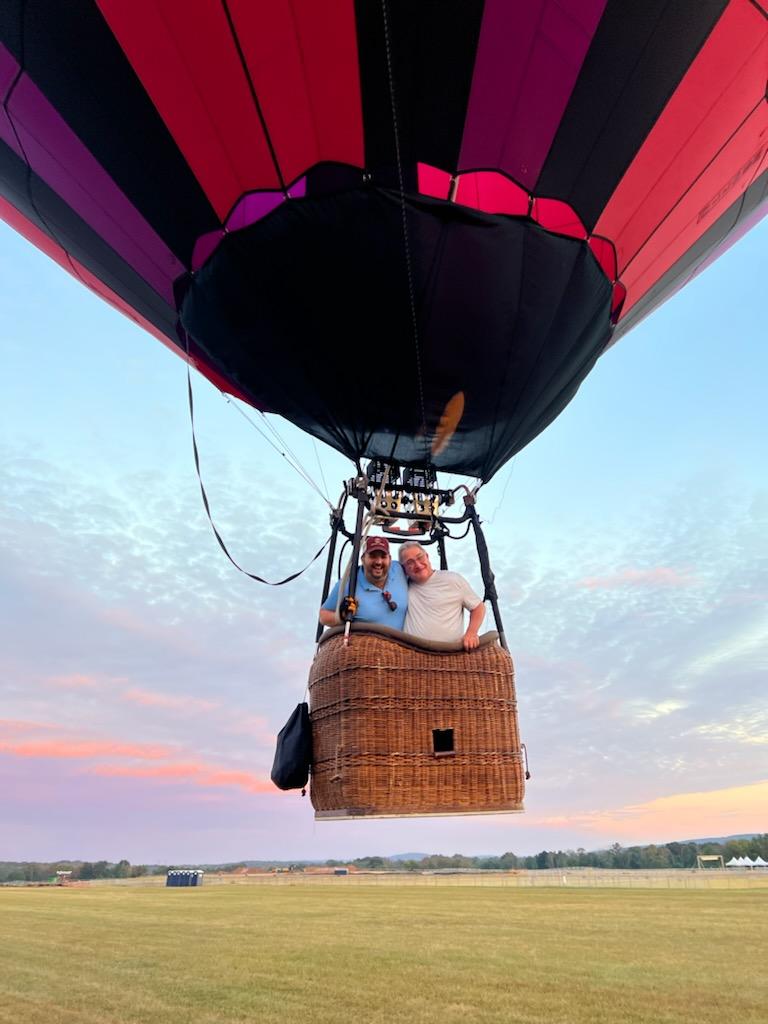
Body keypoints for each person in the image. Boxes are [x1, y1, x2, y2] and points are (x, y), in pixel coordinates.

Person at [399, 541, 485, 650]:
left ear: (427, 556)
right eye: (410, 562)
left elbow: (478, 607)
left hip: (449, 654)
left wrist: (471, 633)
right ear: (404, 569)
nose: (418, 565)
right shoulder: (402, 585)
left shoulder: (452, 580)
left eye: (420, 557)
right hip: (412, 654)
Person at [319, 536, 408, 630]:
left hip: (402, 642)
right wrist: (342, 617)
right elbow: (323, 616)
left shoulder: (399, 569)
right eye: (372, 556)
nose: (378, 562)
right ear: (363, 559)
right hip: (366, 643)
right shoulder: (347, 584)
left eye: (383, 556)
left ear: (389, 559)